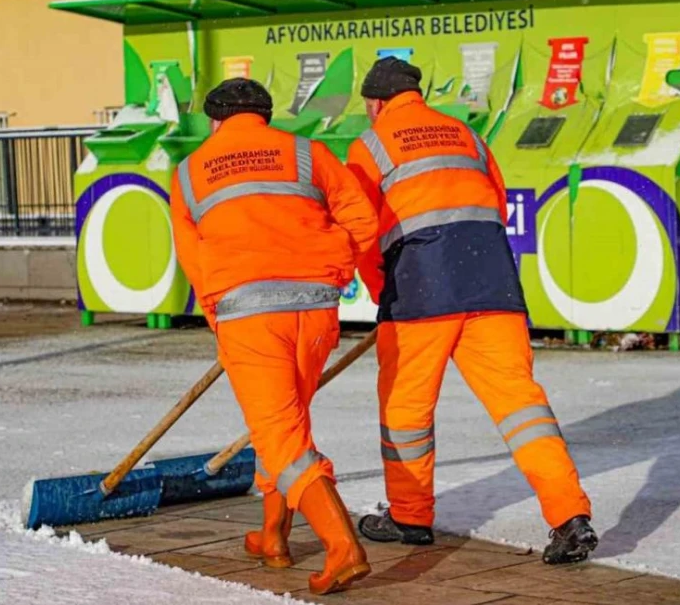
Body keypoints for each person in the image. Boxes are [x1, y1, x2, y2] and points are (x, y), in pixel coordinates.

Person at [345, 57, 598, 565]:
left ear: (375, 103)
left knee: (406, 410)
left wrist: (383, 288)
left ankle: (410, 517)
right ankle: (570, 517)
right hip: (492, 283)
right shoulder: (464, 133)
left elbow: (361, 229)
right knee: (520, 406)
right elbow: (496, 204)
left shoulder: (369, 145)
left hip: (420, 288)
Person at [170, 78, 378, 594]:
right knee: (286, 425)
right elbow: (363, 220)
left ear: (216, 121)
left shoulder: (190, 173)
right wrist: (333, 267)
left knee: (281, 437)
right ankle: (272, 535)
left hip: (249, 316)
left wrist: (220, 317)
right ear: (263, 116)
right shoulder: (307, 153)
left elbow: (193, 258)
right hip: (315, 309)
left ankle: (342, 546)